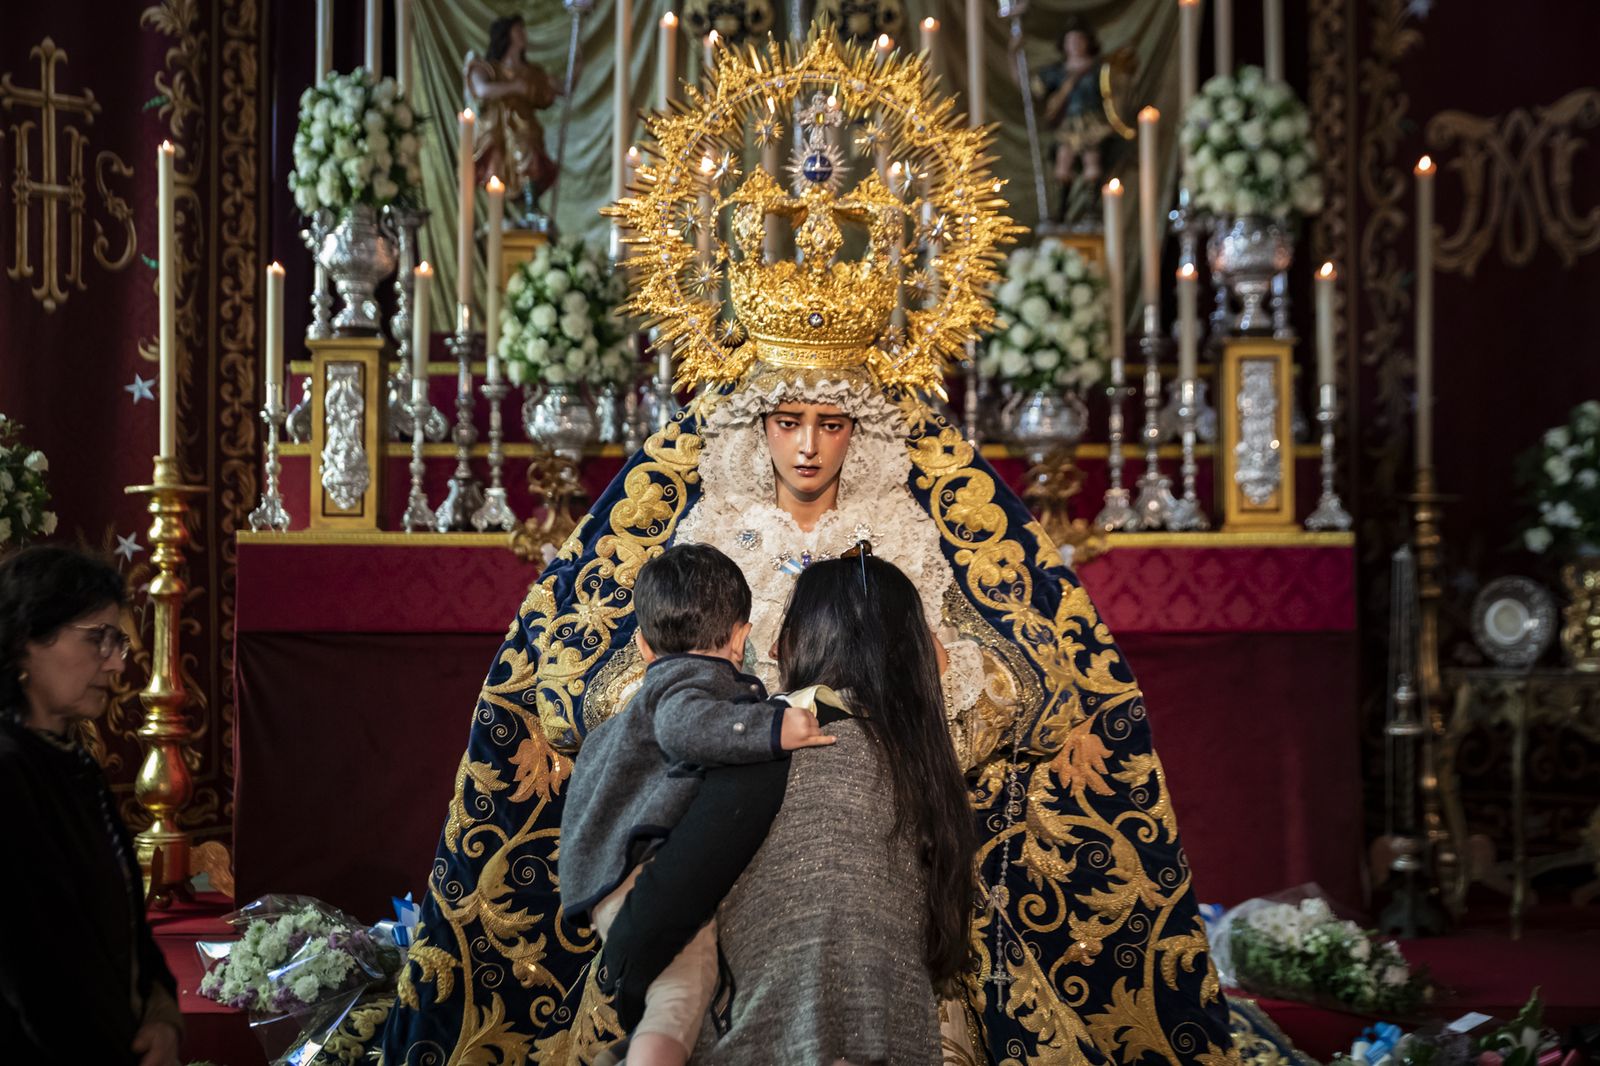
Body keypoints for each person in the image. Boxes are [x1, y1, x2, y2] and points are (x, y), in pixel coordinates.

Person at [373, 35, 1236, 1066]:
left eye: (831, 423)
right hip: (730, 799)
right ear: (758, 425)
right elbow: (603, 671)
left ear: (858, 429)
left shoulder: (910, 524)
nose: (809, 445)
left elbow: (1007, 669)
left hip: (868, 787)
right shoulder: (706, 518)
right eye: (789, 421)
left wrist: (913, 688)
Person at [607, 551, 977, 1065]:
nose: (777, 649)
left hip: (769, 1039)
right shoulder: (921, 762)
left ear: (816, 638)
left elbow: (666, 903)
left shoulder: (779, 746)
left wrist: (630, 978)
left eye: (791, 629)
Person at [558, 543, 833, 1066]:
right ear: (740, 636)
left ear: (641, 645)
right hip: (637, 870)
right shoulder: (691, 684)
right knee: (682, 993)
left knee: (675, 991)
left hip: (603, 870)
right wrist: (774, 726)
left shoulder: (645, 698)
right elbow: (687, 729)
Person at [0, 545, 184, 1066]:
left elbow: (127, 923)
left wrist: (162, 1014)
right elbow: (32, 973)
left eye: (117, 639)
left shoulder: (73, 762)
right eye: (96, 639)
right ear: (26, 642)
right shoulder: (9, 773)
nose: (117, 661)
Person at [464, 15, 561, 227]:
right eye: (519, 31)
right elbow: (481, 89)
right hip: (498, 131)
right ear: (507, 35)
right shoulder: (490, 69)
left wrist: (575, 65)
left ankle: (530, 207)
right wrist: (514, 87)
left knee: (530, 160)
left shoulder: (532, 73)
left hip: (526, 128)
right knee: (497, 170)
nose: (523, 35)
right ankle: (504, 214)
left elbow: (553, 92)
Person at [1032, 17, 1115, 225]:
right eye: (1072, 41)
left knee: (1091, 162)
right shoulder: (1058, 72)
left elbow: (1113, 94)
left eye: (1080, 40)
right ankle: (1062, 209)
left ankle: (1092, 207)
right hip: (1067, 124)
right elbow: (1032, 87)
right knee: (1063, 163)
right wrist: (1013, 56)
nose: (1076, 45)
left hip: (1090, 121)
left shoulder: (1099, 70)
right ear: (1065, 45)